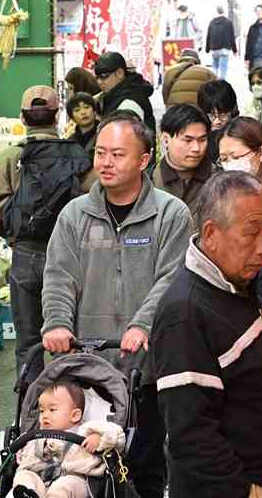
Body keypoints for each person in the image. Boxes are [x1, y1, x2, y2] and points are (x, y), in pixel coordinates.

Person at [42, 112, 193, 498]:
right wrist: (57, 323)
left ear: (144, 160)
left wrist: (142, 325)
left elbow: (171, 279)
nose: (106, 162)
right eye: (101, 153)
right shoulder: (75, 214)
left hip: (148, 367)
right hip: (86, 366)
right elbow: (59, 275)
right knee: (82, 463)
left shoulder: (171, 214)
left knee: (144, 462)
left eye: (118, 154)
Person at [151, 171, 262, 498]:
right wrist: (250, 492)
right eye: (251, 233)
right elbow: (190, 434)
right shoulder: (185, 312)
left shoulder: (238, 284)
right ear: (211, 234)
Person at [0, 86, 92, 384]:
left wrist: (14, 230)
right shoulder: (78, 156)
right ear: (58, 116)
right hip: (73, 258)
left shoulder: (11, 158)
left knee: (29, 344)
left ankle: (31, 412)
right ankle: (70, 412)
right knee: (69, 340)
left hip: (26, 255)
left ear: (23, 117)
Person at [9, 381, 125, 498]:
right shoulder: (36, 434)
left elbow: (117, 434)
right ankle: (28, 494)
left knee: (63, 486)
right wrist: (21, 447)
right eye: (42, 411)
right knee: (24, 476)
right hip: (41, 480)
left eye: (52, 410)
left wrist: (99, 438)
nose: (44, 415)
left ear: (75, 415)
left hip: (76, 479)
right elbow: (23, 455)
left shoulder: (86, 430)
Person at [153, 104, 214, 226]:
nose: (196, 148)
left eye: (202, 140)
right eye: (188, 140)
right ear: (166, 139)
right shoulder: (148, 181)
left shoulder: (219, 180)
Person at [94, 52, 156, 135]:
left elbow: (125, 138)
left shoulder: (130, 101)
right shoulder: (113, 95)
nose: (99, 82)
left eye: (104, 76)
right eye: (97, 77)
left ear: (120, 73)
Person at [197, 79, 239, 163]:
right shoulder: (197, 137)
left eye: (223, 115)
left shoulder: (241, 133)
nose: (216, 122)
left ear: (233, 110)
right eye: (211, 115)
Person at [205, 6, 237, 80]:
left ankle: (214, 81)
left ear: (216, 11)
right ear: (224, 12)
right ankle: (221, 83)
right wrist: (234, 50)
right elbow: (232, 37)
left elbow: (208, 36)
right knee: (223, 67)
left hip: (214, 49)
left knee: (215, 67)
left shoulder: (212, 22)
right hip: (224, 49)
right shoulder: (228, 22)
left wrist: (207, 49)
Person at [65, 91, 99, 156]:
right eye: (77, 110)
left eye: (86, 107)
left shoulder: (104, 135)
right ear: (72, 118)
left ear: (94, 111)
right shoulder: (70, 142)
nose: (83, 112)